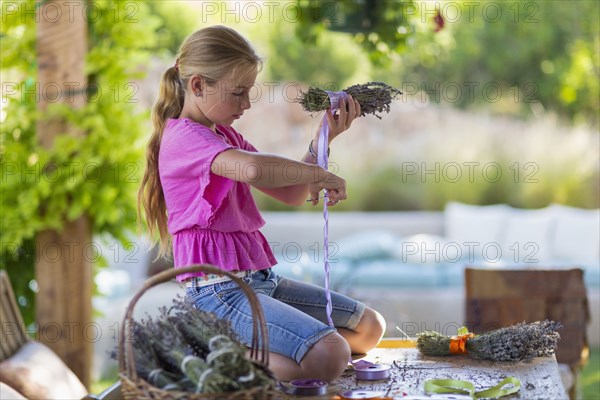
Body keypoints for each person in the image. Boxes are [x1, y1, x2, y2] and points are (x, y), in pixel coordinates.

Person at [138, 25, 386, 383]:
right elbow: (254, 169)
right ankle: (211, 350)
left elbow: (291, 192)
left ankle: (265, 352)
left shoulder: (225, 136)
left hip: (260, 282)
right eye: (238, 93)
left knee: (368, 328)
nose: (247, 103)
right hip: (217, 293)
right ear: (197, 86)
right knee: (332, 356)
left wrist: (324, 137)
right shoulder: (183, 138)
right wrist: (318, 175)